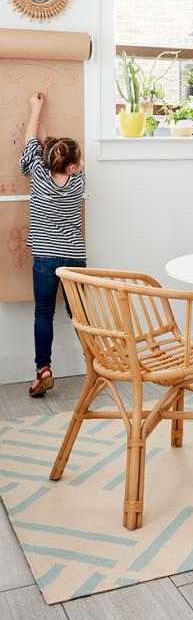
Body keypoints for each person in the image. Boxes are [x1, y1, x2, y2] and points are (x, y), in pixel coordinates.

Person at [19, 93, 86, 398]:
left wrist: (36, 109)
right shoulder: (79, 182)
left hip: (45, 257)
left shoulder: (39, 176)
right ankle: (95, 365)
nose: (81, 163)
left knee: (43, 313)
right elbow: (50, 151)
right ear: (72, 167)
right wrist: (51, 141)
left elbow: (30, 141)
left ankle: (42, 370)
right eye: (79, 158)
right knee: (80, 315)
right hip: (74, 259)